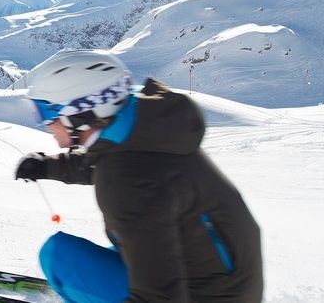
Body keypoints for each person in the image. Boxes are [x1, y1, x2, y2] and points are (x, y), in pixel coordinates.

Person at [14, 49, 263, 302]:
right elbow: (114, 162)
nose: (44, 123)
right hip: (228, 281)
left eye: (45, 112)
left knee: (59, 256)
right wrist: (49, 166)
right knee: (129, 245)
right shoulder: (147, 130)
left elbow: (159, 297)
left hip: (205, 295)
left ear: (80, 113)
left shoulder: (128, 181)